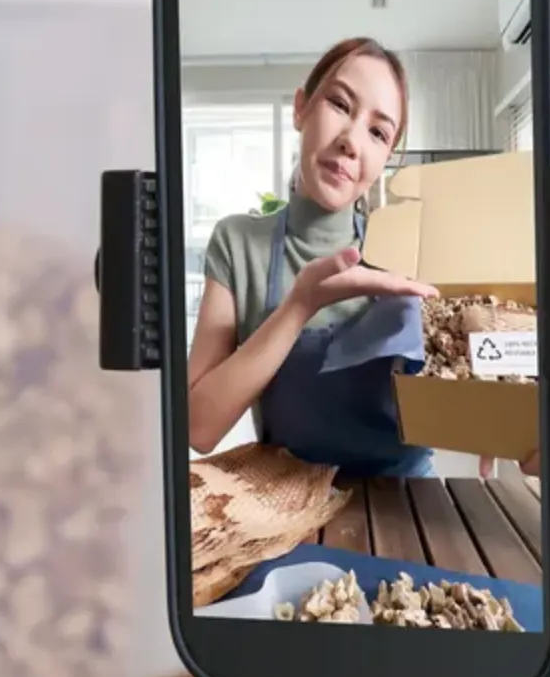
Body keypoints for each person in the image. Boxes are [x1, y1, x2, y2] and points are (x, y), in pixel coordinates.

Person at [188, 36, 440, 477]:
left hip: (407, 502)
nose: (351, 141)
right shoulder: (238, 243)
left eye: (378, 133)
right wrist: (299, 306)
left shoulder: (412, 247)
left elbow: (469, 384)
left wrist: (511, 428)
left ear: (387, 158)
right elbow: (199, 427)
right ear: (301, 108)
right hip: (286, 500)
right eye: (340, 105)